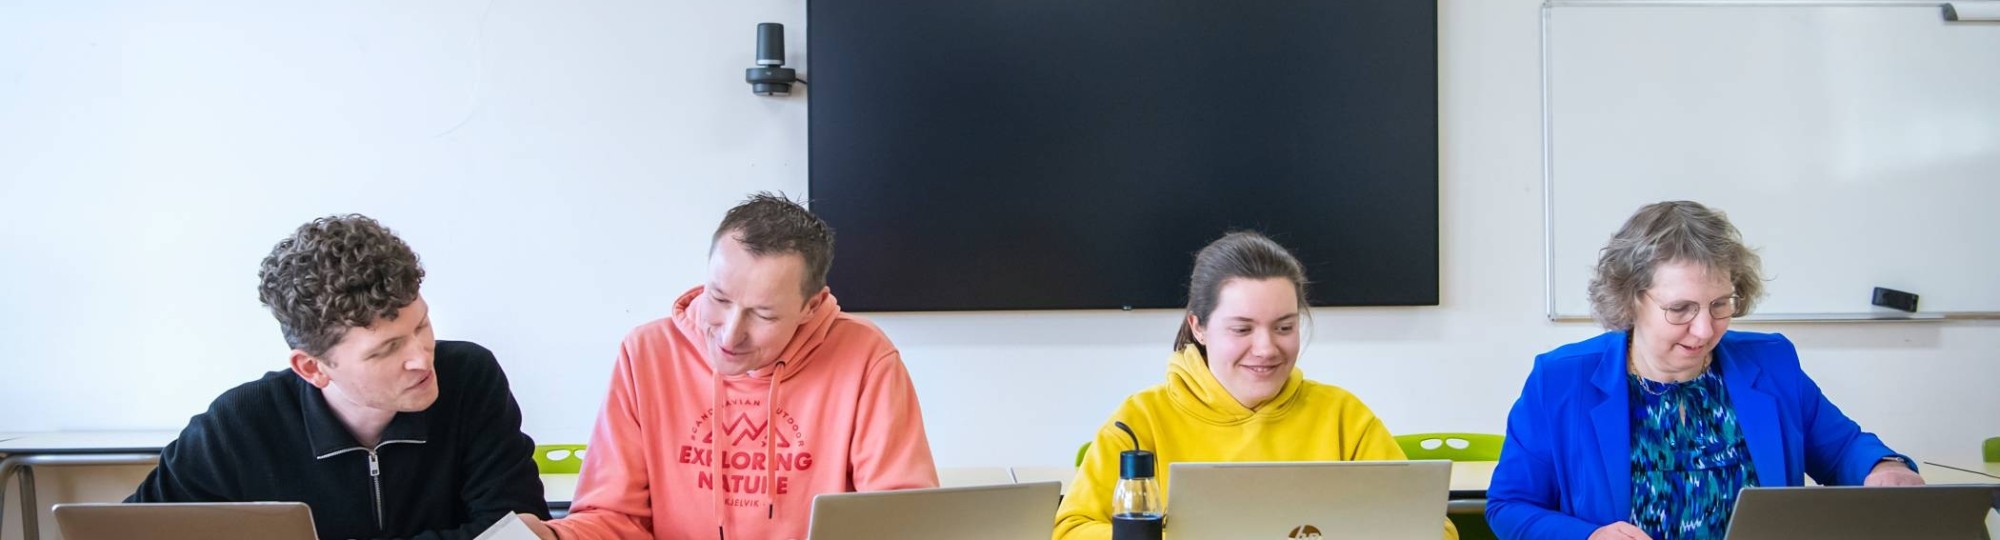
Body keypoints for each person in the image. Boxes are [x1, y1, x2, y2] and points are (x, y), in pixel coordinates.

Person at [1486, 201, 1924, 540]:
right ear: (1630, 298)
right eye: (1680, 309)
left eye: (1721, 305)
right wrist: (1589, 535)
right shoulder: (1562, 381)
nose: (1704, 329)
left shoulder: (1769, 364)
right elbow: (1510, 507)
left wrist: (1881, 466)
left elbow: (1843, 449)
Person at [532, 192, 938, 540]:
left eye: (763, 315)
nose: (729, 336)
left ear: (809, 307)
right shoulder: (647, 354)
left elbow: (900, 522)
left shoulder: (865, 357)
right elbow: (615, 520)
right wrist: (552, 535)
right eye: (719, 299)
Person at [128, 214, 550, 539]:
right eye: (387, 350)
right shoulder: (238, 424)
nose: (422, 360)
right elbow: (129, 532)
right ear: (312, 368)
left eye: (421, 326)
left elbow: (522, 529)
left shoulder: (469, 378)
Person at [1052, 231, 1456, 540]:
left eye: (1284, 327)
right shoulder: (1140, 420)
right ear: (1200, 326)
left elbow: (1433, 527)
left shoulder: (1343, 416)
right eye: (1242, 329)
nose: (1266, 348)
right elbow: (1071, 529)